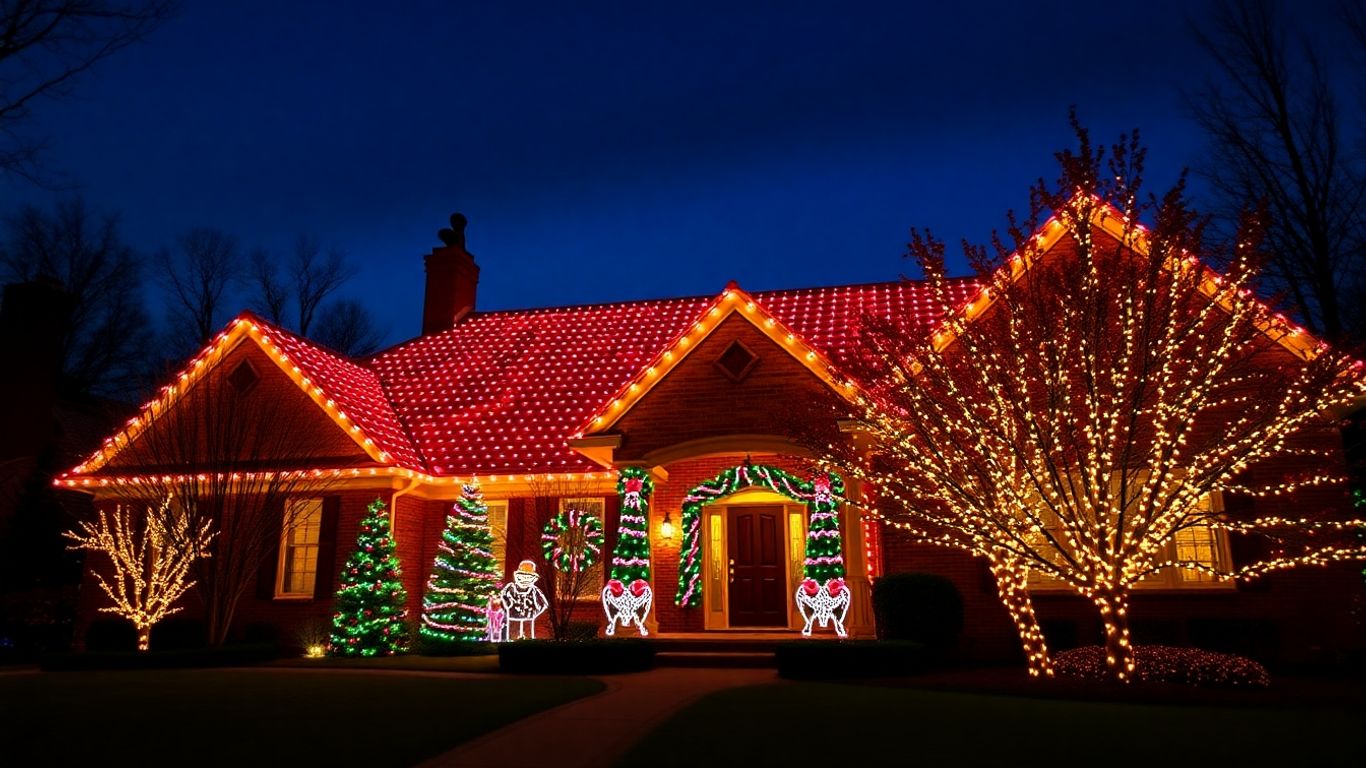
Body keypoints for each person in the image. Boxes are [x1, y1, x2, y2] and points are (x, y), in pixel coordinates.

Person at [500, 560, 548, 639]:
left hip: (528, 618)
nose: (525, 580)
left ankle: (527, 646)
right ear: (517, 576)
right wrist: (507, 608)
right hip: (513, 618)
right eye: (522, 577)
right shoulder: (510, 588)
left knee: (528, 636)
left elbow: (544, 603)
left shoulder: (534, 590)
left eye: (528, 578)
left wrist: (535, 612)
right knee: (513, 637)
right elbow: (502, 597)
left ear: (533, 579)